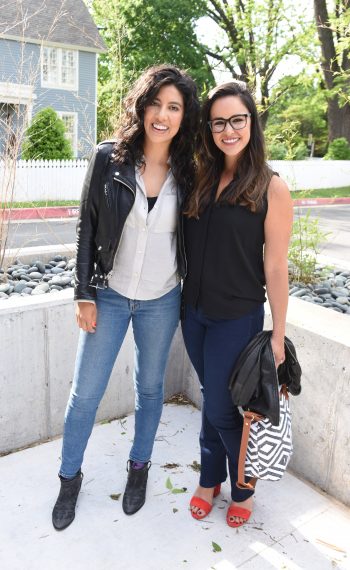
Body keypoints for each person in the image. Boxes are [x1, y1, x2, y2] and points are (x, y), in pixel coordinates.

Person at [52, 65, 199, 531]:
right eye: (155, 103)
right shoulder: (108, 158)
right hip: (110, 295)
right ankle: (69, 479)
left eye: (173, 107)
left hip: (161, 299)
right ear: (142, 105)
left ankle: (139, 469)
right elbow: (87, 226)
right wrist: (84, 293)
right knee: (85, 394)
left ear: (183, 116)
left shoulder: (191, 170)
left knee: (151, 389)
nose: (162, 115)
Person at [181, 80, 293, 528]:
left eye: (237, 120)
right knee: (212, 398)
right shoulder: (201, 178)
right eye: (219, 122)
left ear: (252, 122)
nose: (228, 130)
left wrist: (278, 334)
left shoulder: (271, 186)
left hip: (237, 316)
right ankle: (210, 480)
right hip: (192, 314)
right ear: (209, 128)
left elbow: (277, 267)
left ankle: (241, 485)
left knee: (226, 409)